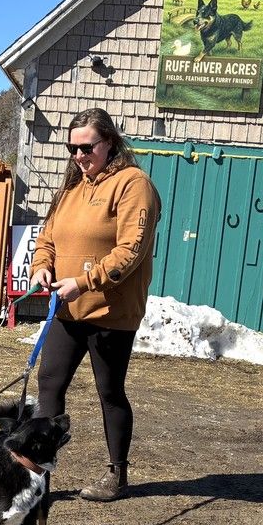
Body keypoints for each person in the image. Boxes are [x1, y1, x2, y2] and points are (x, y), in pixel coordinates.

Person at [29, 107, 161, 501]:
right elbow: (47, 238)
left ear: (110, 142)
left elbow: (131, 250)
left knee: (109, 391)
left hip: (110, 313)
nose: (79, 156)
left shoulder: (133, 185)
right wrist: (42, 266)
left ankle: (117, 475)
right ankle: (39, 474)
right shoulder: (72, 188)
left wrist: (85, 282)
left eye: (86, 147)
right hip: (68, 309)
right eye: (72, 148)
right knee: (49, 383)